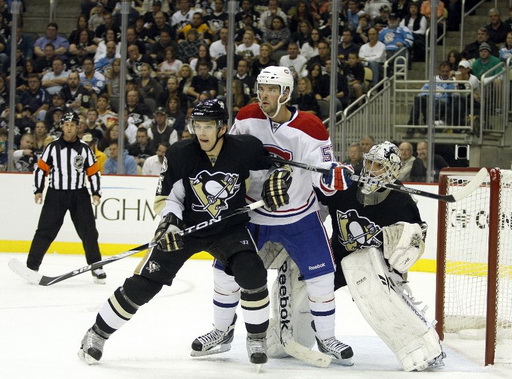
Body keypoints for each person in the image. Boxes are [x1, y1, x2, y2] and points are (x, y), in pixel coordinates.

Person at [78, 98, 291, 366]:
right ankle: (96, 333)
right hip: (185, 229)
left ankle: (256, 337)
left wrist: (280, 178)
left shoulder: (244, 149)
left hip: (228, 228)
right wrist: (170, 222)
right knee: (143, 285)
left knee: (252, 272)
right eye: (197, 125)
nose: (201, 132)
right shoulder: (180, 153)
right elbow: (168, 197)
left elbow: (276, 167)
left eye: (208, 126)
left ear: (222, 127)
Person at [193, 66, 355, 364]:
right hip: (253, 215)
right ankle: (222, 331)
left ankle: (327, 337)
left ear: (287, 94)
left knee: (322, 277)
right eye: (261, 88)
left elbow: (324, 179)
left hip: (299, 217)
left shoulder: (311, 128)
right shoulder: (247, 116)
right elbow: (230, 155)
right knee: (224, 272)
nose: (263, 95)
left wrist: (333, 180)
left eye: (271, 89)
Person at [279, 141, 445, 371]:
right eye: (369, 162)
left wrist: (403, 237)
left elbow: (411, 246)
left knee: (362, 269)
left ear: (392, 169)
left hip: (378, 266)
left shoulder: (401, 201)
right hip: (338, 254)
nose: (370, 168)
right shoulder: (345, 184)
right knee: (301, 277)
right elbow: (314, 208)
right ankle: (288, 335)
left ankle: (418, 345)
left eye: (379, 165)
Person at [25, 111, 106, 283]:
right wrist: (38, 190)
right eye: (66, 125)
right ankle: (31, 267)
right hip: (56, 194)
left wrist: (96, 192)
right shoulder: (52, 148)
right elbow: (41, 169)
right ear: (62, 126)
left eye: (73, 125)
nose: (69, 128)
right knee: (45, 231)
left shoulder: (84, 149)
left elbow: (93, 172)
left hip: (79, 195)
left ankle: (96, 266)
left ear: (78, 127)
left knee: (89, 232)